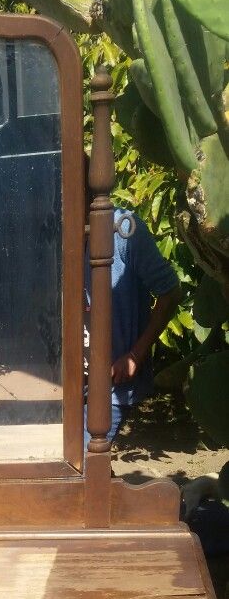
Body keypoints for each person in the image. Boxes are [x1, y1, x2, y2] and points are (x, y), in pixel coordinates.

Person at [84, 168, 181, 443]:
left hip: (112, 386)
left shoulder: (123, 231)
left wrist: (135, 355)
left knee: (83, 464)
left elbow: (170, 293)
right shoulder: (52, 230)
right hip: (67, 384)